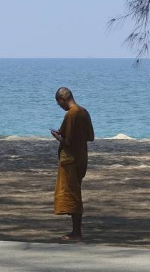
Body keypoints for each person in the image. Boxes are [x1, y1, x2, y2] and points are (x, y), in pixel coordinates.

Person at [50, 87, 94, 242]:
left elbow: (67, 141)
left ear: (63, 99)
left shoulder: (71, 114)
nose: (60, 106)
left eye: (59, 103)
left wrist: (57, 136)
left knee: (73, 194)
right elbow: (90, 136)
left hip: (71, 159)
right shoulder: (84, 112)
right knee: (75, 191)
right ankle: (76, 230)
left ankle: (76, 232)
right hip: (82, 157)